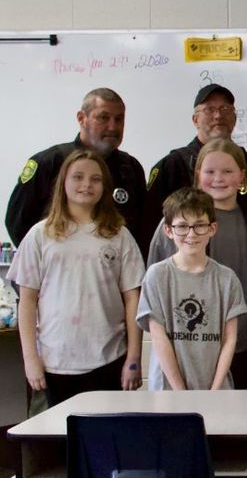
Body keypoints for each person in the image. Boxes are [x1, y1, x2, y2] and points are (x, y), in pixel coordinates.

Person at [9, 149, 145, 407]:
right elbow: (26, 300)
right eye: (78, 177)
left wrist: (134, 358)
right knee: (58, 443)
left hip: (109, 359)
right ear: (63, 183)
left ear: (105, 186)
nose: (86, 185)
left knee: (104, 441)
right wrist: (31, 359)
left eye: (95, 179)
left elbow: (133, 298)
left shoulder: (119, 235)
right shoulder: (41, 235)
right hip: (55, 362)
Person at [147, 139, 247, 389]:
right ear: (197, 175)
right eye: (210, 171)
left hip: (237, 342)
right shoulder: (177, 225)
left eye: (228, 171)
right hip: (187, 349)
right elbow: (155, 291)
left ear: (242, 177)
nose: (218, 178)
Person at [137, 188, 247, 392]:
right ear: (168, 230)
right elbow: (159, 336)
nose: (191, 234)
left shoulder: (227, 278)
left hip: (216, 389)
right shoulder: (156, 276)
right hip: (168, 391)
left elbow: (229, 339)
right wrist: (180, 392)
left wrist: (215, 390)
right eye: (182, 226)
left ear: (212, 228)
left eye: (199, 225)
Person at [6, 87, 145, 249]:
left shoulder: (130, 168)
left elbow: (143, 230)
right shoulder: (49, 163)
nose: (113, 127)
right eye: (103, 118)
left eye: (119, 119)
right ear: (81, 118)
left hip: (114, 268)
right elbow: (18, 224)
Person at [142, 84, 247, 250]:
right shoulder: (172, 166)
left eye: (225, 109)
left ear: (235, 118)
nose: (218, 115)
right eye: (209, 109)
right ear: (195, 120)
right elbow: (150, 227)